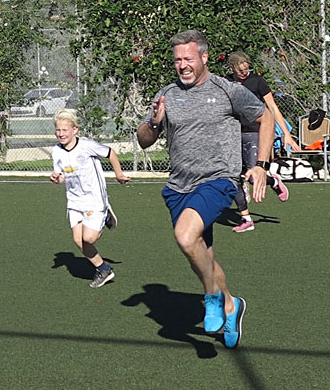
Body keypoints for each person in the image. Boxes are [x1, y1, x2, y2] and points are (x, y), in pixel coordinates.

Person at [136, 30, 271, 349]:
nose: (182, 65)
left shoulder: (227, 90)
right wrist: (154, 123)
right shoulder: (168, 94)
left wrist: (261, 164)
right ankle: (230, 305)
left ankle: (211, 296)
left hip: (218, 180)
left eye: (188, 58)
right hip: (178, 188)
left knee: (185, 236)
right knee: (203, 257)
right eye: (178, 60)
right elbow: (143, 139)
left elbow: (266, 118)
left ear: (204, 58)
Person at [49, 108, 129, 288]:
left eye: (64, 130)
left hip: (94, 198)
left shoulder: (86, 145)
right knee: (79, 241)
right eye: (58, 130)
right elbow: (62, 176)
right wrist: (57, 179)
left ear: (75, 130)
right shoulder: (56, 151)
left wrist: (118, 174)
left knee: (89, 239)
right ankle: (103, 269)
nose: (61, 134)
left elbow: (110, 153)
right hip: (74, 200)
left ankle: (105, 214)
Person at [225, 51, 291, 232]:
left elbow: (272, 107)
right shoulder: (226, 83)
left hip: (254, 133)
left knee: (254, 177)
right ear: (232, 69)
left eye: (247, 69)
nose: (245, 73)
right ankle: (246, 219)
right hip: (233, 135)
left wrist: (286, 132)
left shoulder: (257, 82)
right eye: (241, 70)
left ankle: (274, 182)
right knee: (233, 178)